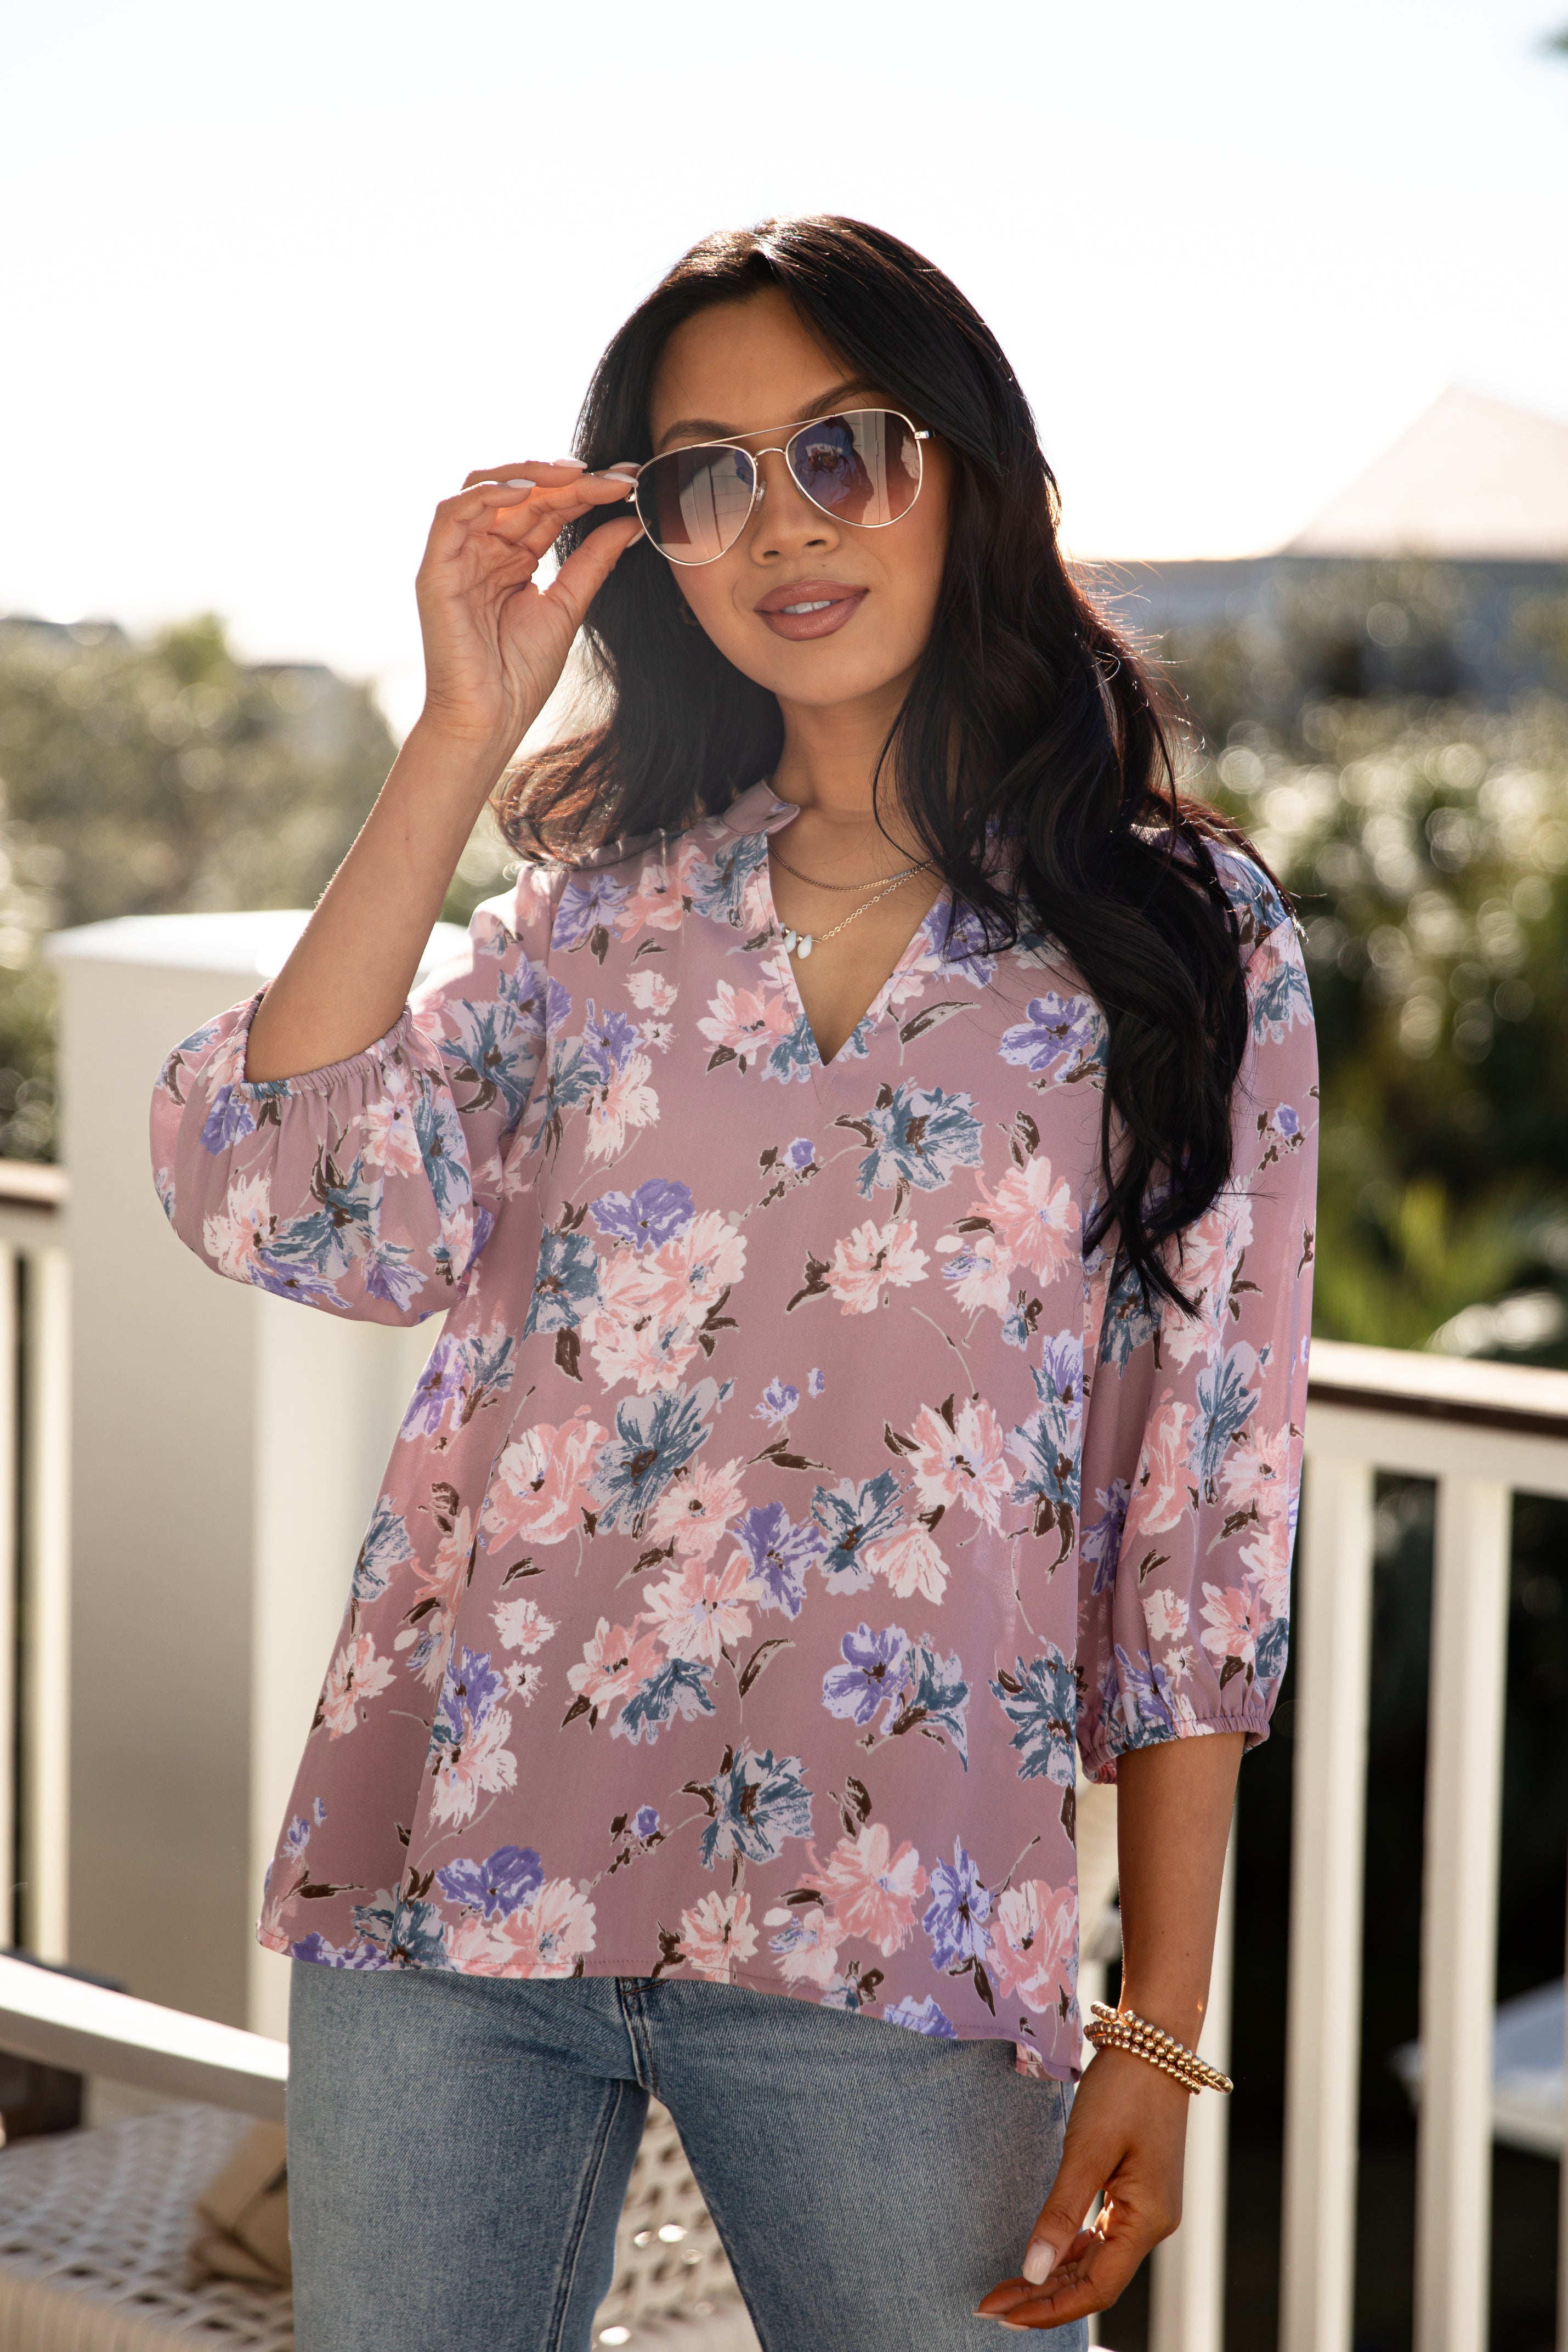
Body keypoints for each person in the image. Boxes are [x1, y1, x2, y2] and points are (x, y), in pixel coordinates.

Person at [151, 215, 1316, 2350]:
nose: (781, 519)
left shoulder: (1181, 936)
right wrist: (457, 728)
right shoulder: (593, 914)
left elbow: (1202, 1515)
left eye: (846, 449)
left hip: (891, 1914)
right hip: (452, 1882)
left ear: (972, 473)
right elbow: (288, 1188)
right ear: (651, 538)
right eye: (706, 474)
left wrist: (1158, 2024)